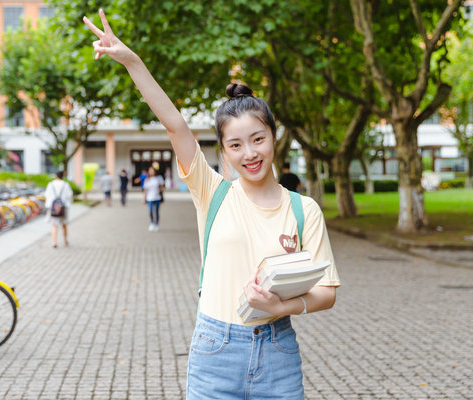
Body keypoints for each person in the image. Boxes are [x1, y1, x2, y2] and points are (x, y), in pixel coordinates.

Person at [84, 10, 340, 399]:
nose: (250, 153)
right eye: (235, 145)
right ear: (223, 151)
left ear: (274, 137)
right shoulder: (212, 191)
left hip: (278, 352)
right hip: (214, 351)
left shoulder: (305, 210)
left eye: (258, 139)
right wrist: (131, 61)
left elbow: (327, 293)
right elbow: (175, 125)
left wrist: (282, 305)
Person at [44, 170, 73, 248]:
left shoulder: (51, 184)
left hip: (53, 208)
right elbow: (69, 195)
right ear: (62, 176)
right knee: (64, 225)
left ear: (56, 176)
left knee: (54, 225)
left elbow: (47, 194)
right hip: (63, 207)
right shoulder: (66, 185)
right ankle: (65, 240)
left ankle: (54, 242)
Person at [143, 165, 164, 231]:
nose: (151, 171)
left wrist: (160, 189)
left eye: (152, 170)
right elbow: (145, 190)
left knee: (157, 211)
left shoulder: (159, 178)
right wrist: (144, 198)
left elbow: (163, 186)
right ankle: (152, 223)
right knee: (151, 211)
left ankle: (156, 224)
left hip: (157, 197)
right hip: (150, 198)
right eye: (150, 170)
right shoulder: (147, 179)